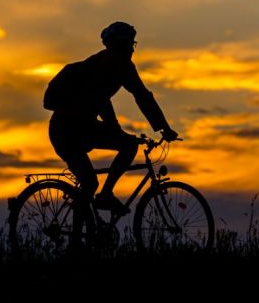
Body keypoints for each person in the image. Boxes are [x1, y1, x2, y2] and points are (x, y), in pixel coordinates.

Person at [44, 21, 178, 215]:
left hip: (78, 127)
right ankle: (86, 225)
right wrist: (116, 129)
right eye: (128, 43)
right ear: (117, 44)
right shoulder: (107, 65)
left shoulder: (121, 66)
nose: (131, 48)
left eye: (133, 43)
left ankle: (93, 217)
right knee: (96, 177)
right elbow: (101, 101)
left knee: (93, 179)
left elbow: (142, 96)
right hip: (67, 130)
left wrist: (163, 127)